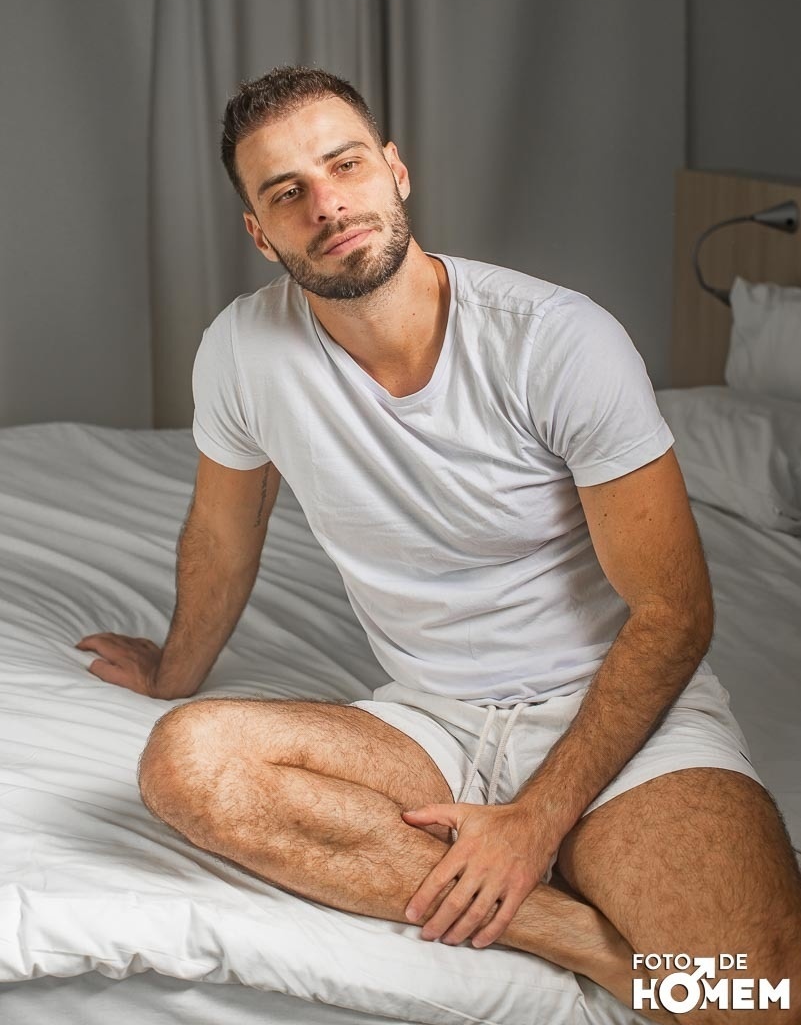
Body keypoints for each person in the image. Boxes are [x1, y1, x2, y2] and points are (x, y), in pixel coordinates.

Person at [78, 66, 801, 1020]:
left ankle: (569, 865)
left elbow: (676, 613)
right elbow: (223, 532)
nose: (327, 205)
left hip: (619, 720)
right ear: (259, 232)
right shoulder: (240, 350)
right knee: (187, 762)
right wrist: (173, 671)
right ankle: (576, 937)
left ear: (395, 171)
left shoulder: (555, 340)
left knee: (754, 995)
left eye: (344, 166)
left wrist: (534, 822)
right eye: (287, 192)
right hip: (433, 723)